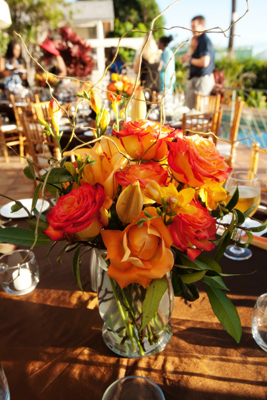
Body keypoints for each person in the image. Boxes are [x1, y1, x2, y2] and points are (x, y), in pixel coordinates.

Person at [182, 15, 215, 109]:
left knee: (198, 113)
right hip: (195, 80)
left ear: (202, 26)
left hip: (201, 81)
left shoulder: (204, 41)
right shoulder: (197, 41)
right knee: (191, 111)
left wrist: (190, 59)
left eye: (193, 26)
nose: (191, 29)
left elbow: (205, 62)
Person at [134, 34, 161, 101]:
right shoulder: (158, 56)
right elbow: (159, 68)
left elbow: (136, 71)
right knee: (155, 107)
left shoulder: (140, 56)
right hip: (156, 84)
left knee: (144, 106)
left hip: (145, 85)